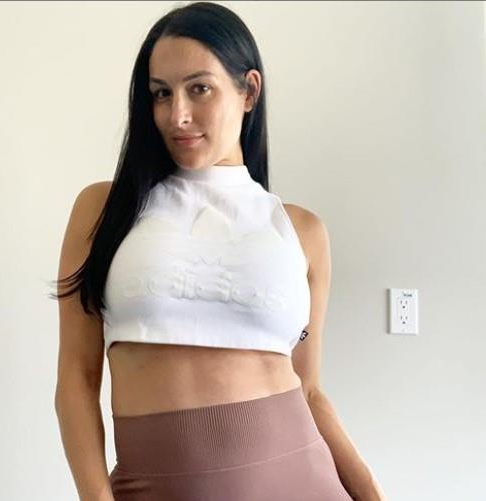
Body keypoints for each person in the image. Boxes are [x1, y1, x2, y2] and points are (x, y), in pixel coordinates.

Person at [53, 2, 386, 500]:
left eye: (199, 88)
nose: (177, 115)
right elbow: (76, 380)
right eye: (161, 93)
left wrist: (373, 494)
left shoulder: (301, 231)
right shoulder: (106, 209)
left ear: (248, 91)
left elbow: (310, 389)